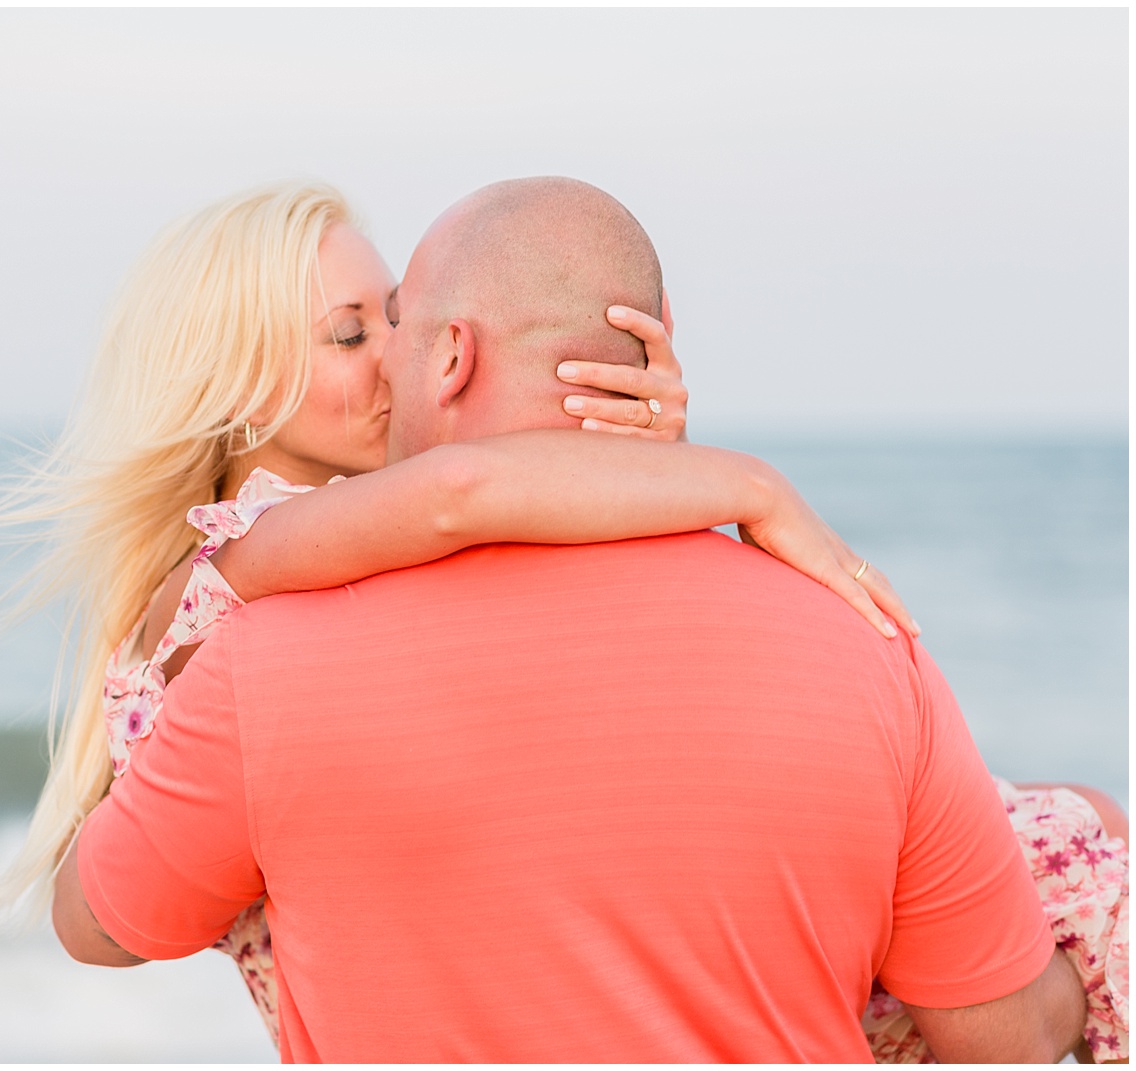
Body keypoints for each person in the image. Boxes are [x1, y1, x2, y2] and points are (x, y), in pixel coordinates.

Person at [54, 178, 1109, 1062]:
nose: (388, 357)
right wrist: (740, 487)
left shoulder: (297, 615)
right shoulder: (253, 563)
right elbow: (456, 494)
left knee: (1063, 825)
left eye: (394, 321)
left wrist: (631, 470)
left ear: (450, 354)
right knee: (1073, 845)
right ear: (232, 388)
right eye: (347, 334)